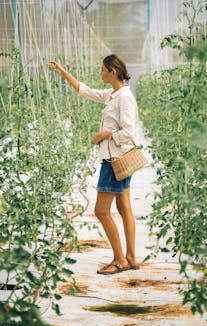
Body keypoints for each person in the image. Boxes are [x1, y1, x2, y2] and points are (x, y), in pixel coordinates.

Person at [47, 54, 139, 274]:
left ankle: (119, 260)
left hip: (114, 160)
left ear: (113, 71)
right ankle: (131, 257)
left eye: (102, 70)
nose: (100, 73)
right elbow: (86, 91)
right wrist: (64, 73)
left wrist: (104, 135)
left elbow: (129, 132)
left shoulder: (123, 98)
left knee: (101, 211)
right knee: (124, 208)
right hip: (120, 159)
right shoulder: (113, 94)